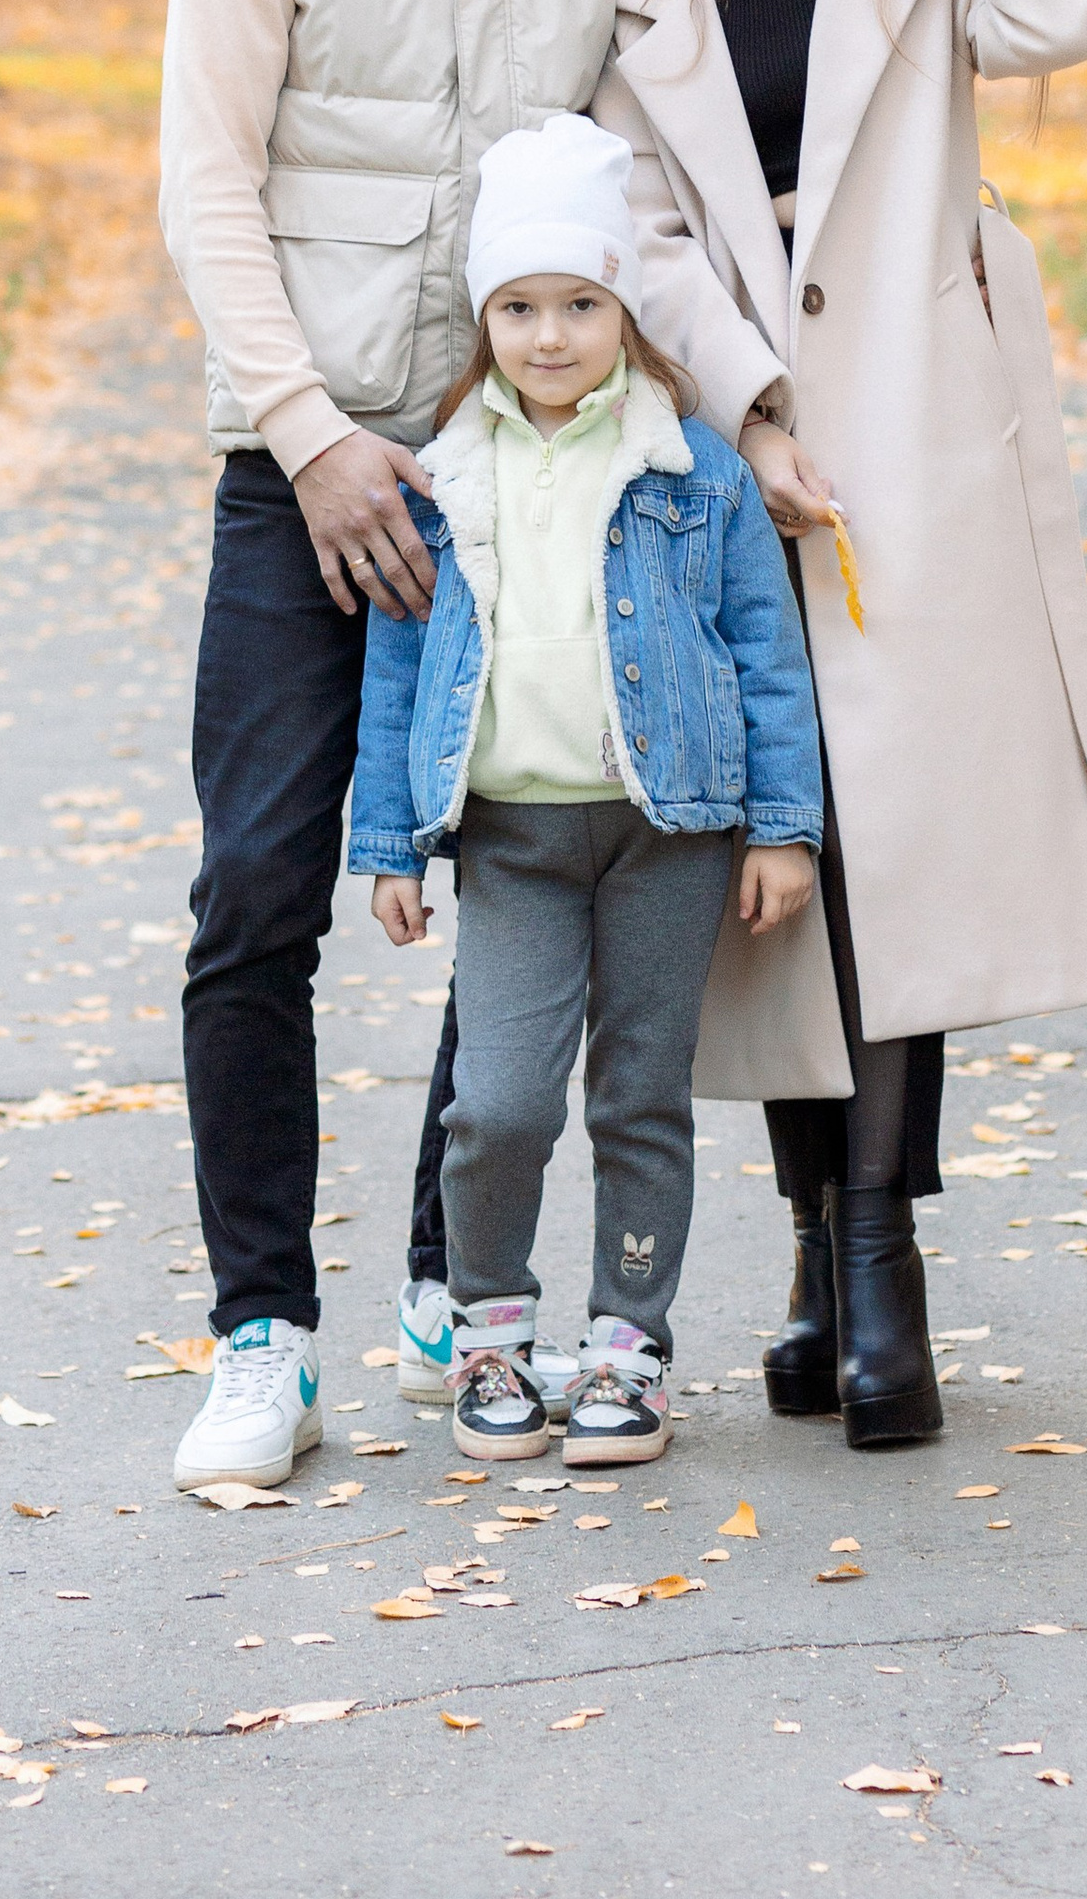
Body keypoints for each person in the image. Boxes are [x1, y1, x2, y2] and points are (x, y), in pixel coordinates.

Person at [578, 0, 1087, 1450]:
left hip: (918, 449)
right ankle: (816, 1255)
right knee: (774, 852)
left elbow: (1069, 14)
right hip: (729, 460)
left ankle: (885, 1262)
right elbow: (637, 225)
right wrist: (743, 400)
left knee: (888, 853)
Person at [157, 0, 630, 1492]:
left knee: (513, 859)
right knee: (259, 891)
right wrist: (318, 431)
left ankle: (458, 1276)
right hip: (301, 465)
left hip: (513, 470)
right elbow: (203, 169)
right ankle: (261, 1333)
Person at [349, 114, 822, 1467]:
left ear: (622, 306)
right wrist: (390, 844)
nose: (549, 334)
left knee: (638, 1092)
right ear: (483, 313)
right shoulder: (445, 476)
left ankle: (629, 1347)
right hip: (512, 840)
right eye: (519, 305)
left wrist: (783, 827)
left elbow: (765, 651)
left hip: (670, 832)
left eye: (579, 302)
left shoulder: (692, 465)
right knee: (496, 1097)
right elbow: (398, 665)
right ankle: (490, 1328)